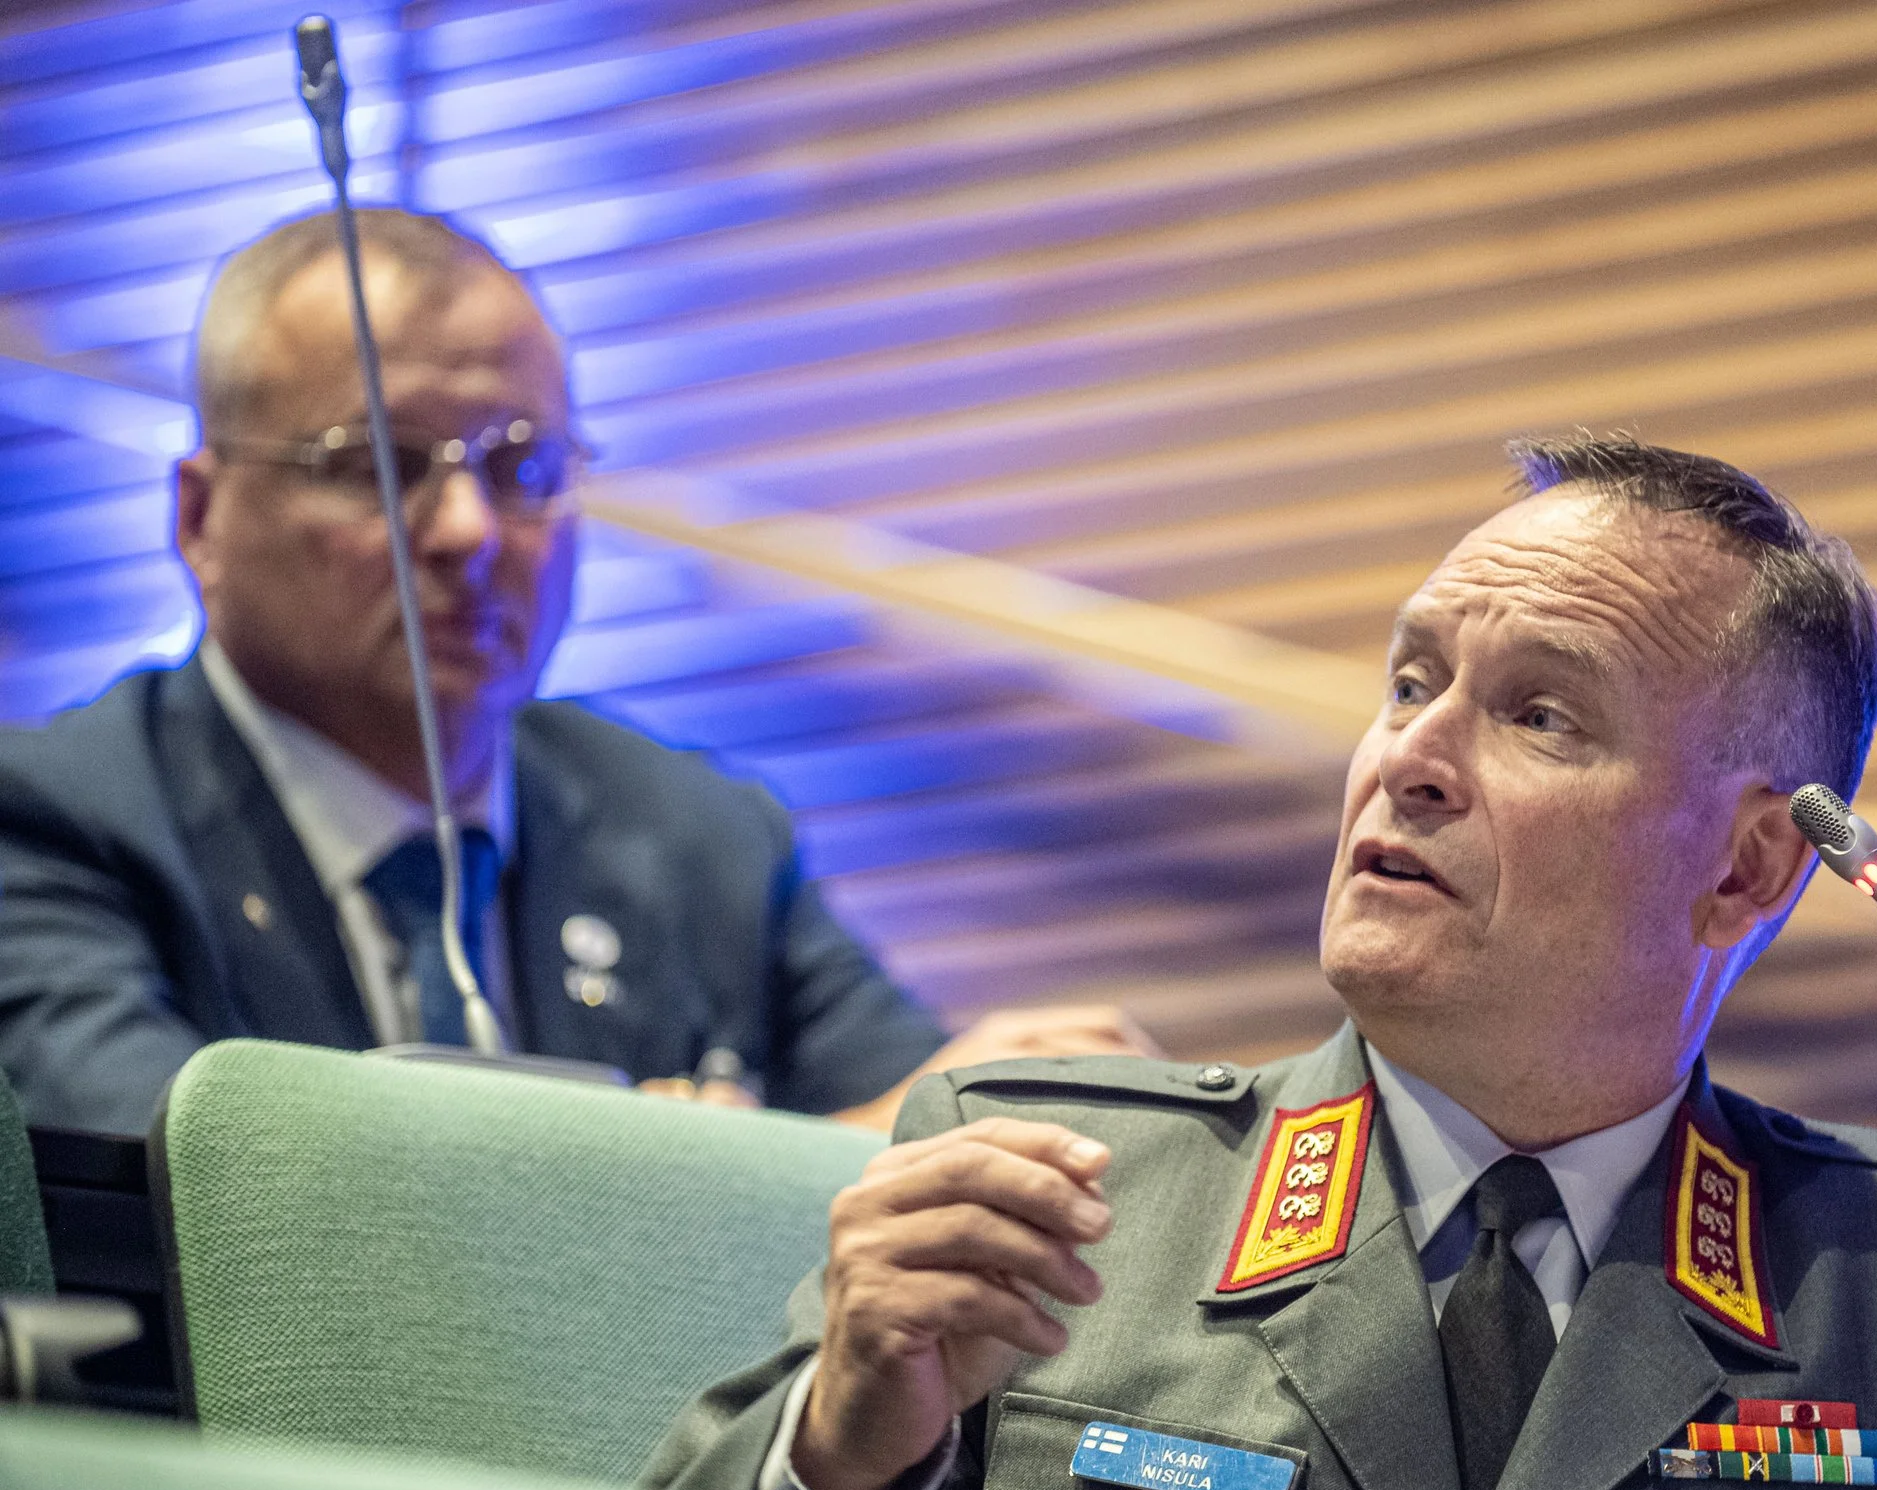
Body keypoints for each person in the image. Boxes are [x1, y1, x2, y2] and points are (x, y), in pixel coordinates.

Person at [646, 437, 1877, 1490]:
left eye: (1539, 713)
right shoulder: (1043, 1181)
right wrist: (844, 1442)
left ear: (1748, 864)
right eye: (1410, 682)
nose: (1411, 759)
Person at [0, 208, 1143, 1138]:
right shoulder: (54, 819)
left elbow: (928, 1119)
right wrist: (700, 1172)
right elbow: (201, 1183)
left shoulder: (700, 836)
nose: (466, 531)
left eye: (522, 465)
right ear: (200, 516)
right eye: (379, 465)